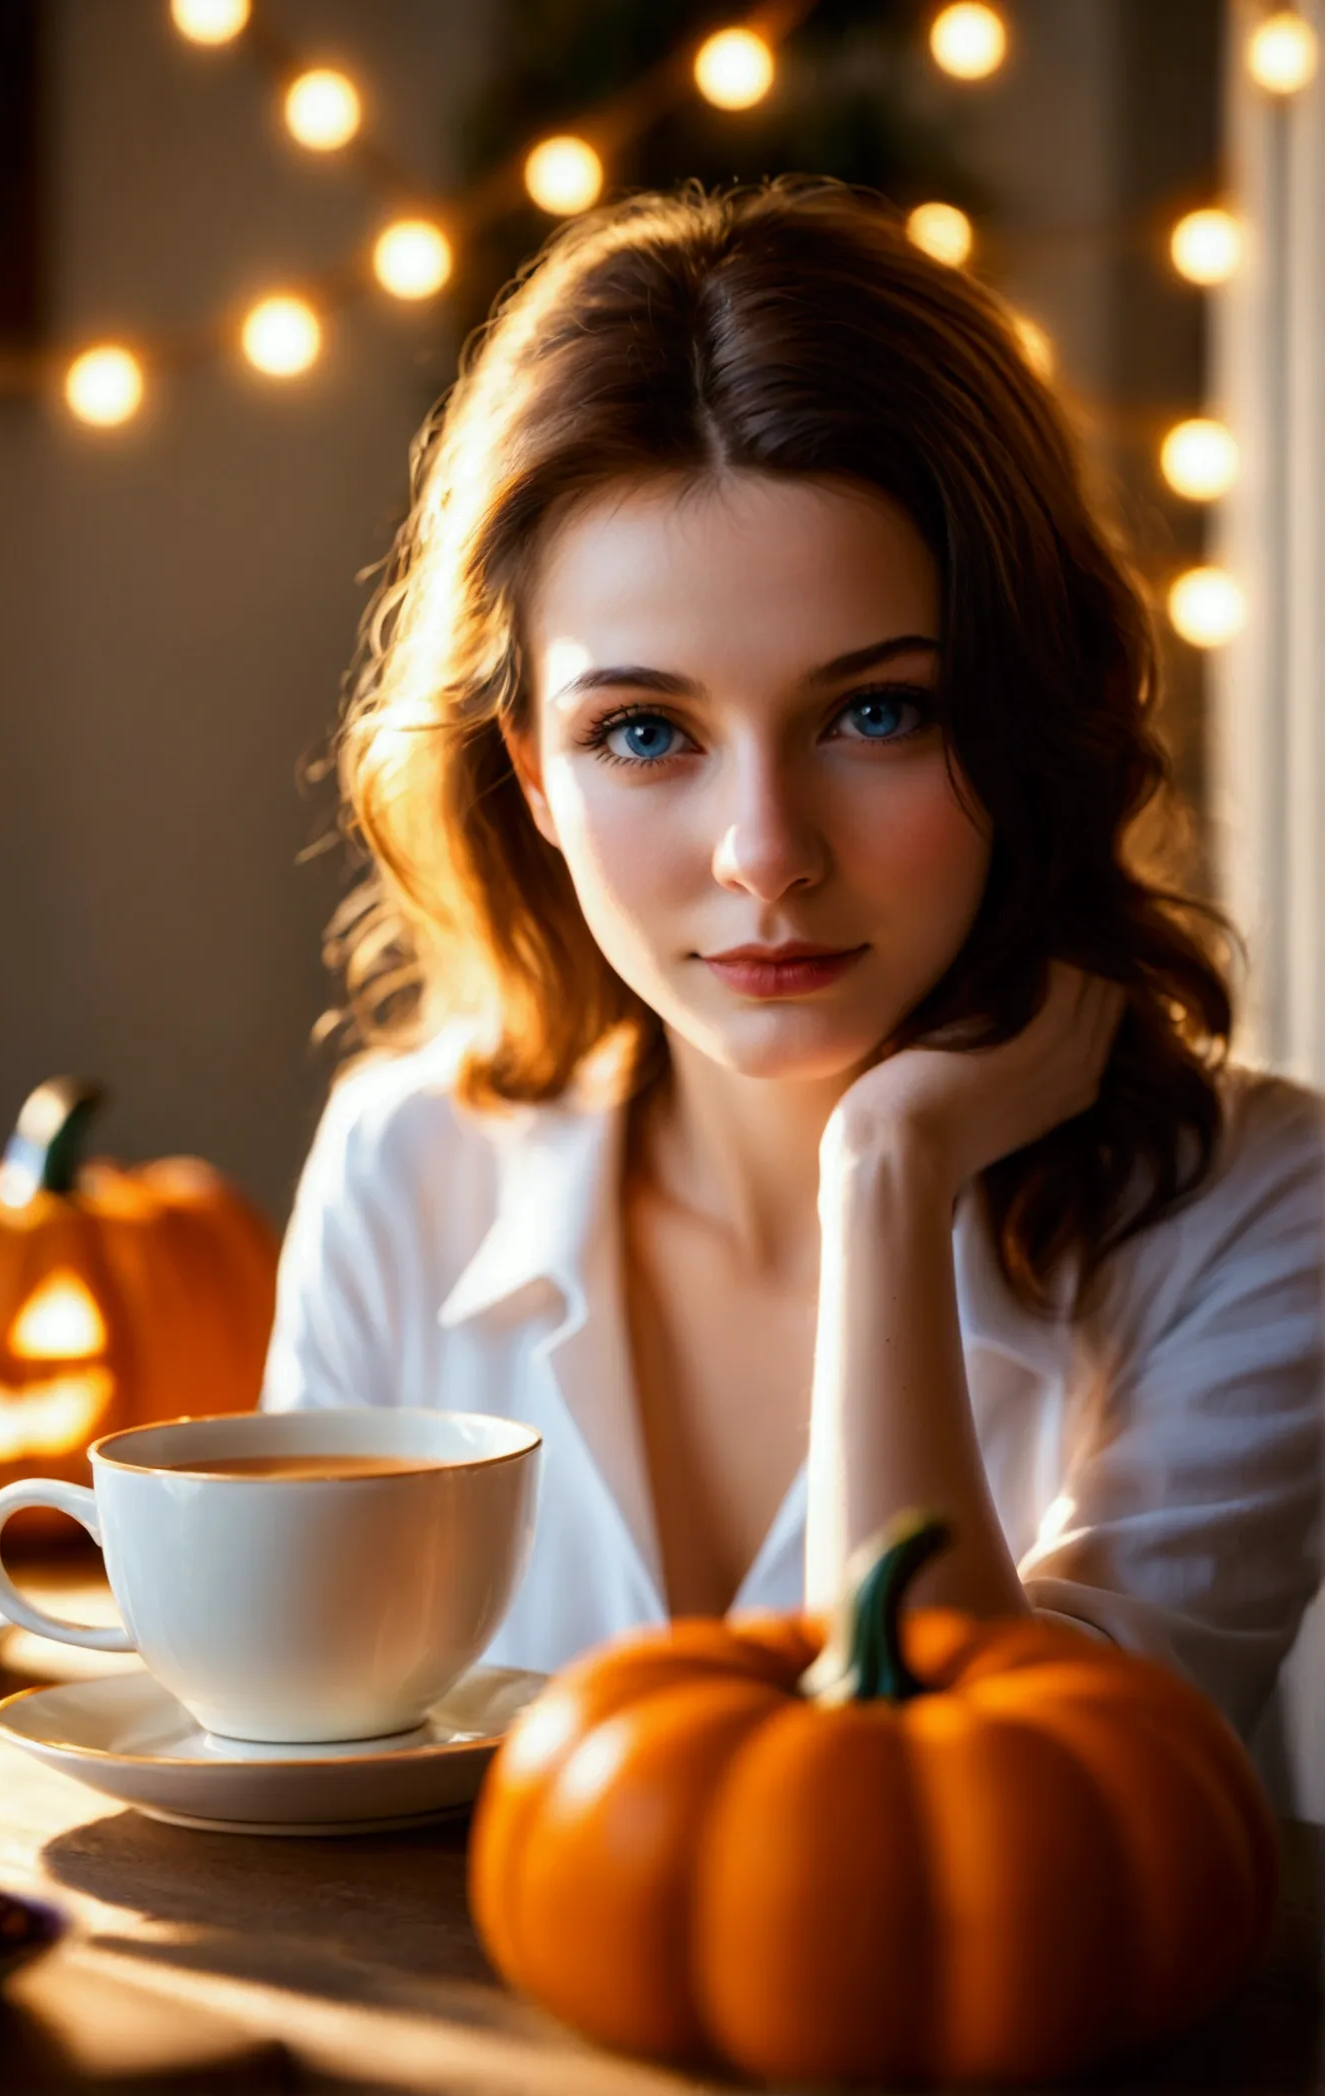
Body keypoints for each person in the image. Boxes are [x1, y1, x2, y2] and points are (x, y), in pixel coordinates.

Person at [260, 175, 1325, 1773]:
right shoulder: (403, 1170)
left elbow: (979, 1824)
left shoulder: (1257, 1215)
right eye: (644, 732)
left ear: (1040, 709)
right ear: (535, 777)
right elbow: (283, 1787)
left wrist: (889, 1181)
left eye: (875, 712)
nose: (765, 852)